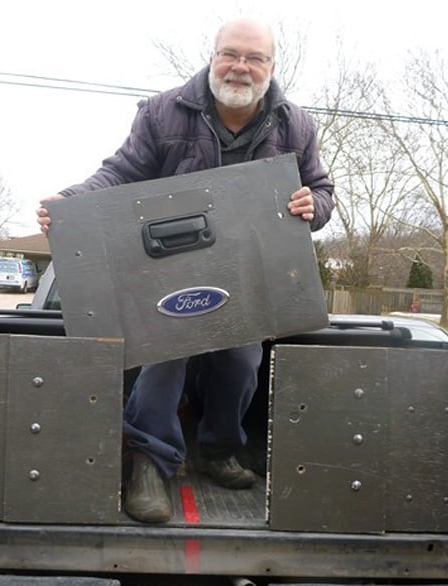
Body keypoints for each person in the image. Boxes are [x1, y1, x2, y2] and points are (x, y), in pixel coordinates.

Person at [36, 17, 334, 523]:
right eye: (230, 54)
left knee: (242, 361)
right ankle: (149, 462)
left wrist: (315, 206)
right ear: (213, 56)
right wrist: (72, 200)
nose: (241, 67)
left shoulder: (296, 125)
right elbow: (121, 172)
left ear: (271, 67)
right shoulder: (163, 112)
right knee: (165, 355)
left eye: (254, 58)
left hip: (247, 269)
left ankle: (218, 449)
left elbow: (321, 191)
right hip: (167, 266)